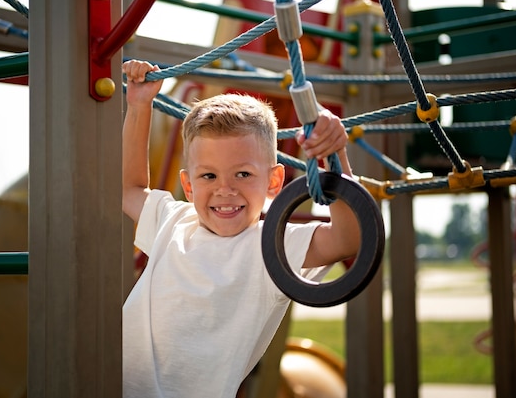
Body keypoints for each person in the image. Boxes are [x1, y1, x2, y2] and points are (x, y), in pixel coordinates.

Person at [122, 59, 360, 398]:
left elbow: (346, 240)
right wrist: (139, 104)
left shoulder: (270, 246)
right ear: (188, 186)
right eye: (209, 176)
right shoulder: (174, 220)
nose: (225, 189)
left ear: (274, 181)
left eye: (243, 174)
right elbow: (129, 189)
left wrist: (334, 156)